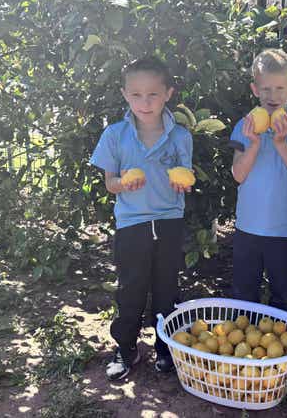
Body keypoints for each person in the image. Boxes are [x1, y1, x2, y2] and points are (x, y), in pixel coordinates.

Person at [90, 56, 193, 380]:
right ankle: (126, 348)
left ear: (168, 94)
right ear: (125, 95)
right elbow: (110, 184)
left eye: (152, 94)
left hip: (168, 221)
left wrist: (182, 182)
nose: (144, 102)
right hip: (132, 224)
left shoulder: (180, 137)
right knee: (131, 288)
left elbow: (186, 178)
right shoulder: (115, 135)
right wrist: (123, 183)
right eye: (136, 94)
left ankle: (166, 347)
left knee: (167, 288)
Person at [229, 48, 287, 312]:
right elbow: (238, 175)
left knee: (283, 293)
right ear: (255, 89)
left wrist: (281, 143)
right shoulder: (244, 127)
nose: (272, 96)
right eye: (265, 89)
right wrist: (254, 143)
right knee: (244, 293)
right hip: (249, 226)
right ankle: (243, 347)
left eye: (280, 88)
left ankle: (283, 350)